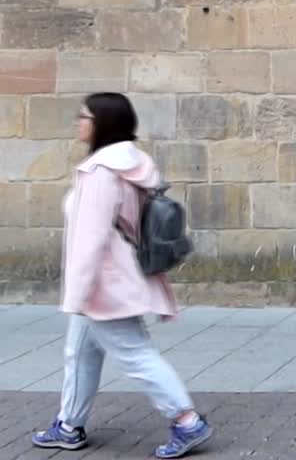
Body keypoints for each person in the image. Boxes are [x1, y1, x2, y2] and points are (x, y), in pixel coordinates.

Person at [32, 93, 213, 459]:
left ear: (103, 123)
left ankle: (186, 420)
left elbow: (91, 238)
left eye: (84, 116)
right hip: (115, 275)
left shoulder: (101, 172)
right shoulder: (131, 162)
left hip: (104, 281)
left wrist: (78, 292)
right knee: (80, 352)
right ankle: (69, 425)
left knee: (134, 353)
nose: (78, 122)